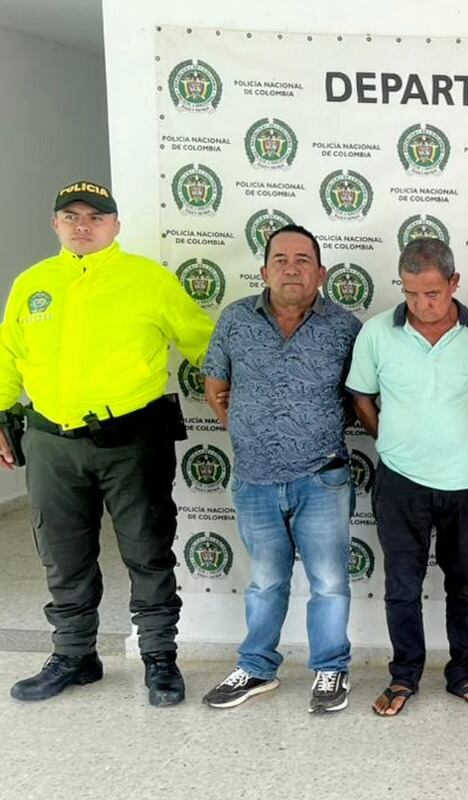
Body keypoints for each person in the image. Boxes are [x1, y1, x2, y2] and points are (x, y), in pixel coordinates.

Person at [0, 180, 214, 706]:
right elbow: (8, 354)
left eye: (95, 217)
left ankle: (160, 657)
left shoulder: (149, 280)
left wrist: (247, 396)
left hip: (132, 439)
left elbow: (204, 344)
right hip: (51, 441)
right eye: (70, 216)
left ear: (115, 225)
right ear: (55, 224)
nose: (82, 225)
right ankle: (75, 656)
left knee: (147, 549)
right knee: (62, 553)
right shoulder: (33, 284)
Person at [197, 225, 362, 713]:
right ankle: (256, 668)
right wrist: (250, 430)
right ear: (264, 269)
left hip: (322, 478)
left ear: (321, 271)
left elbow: (358, 398)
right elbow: (215, 385)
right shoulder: (235, 320)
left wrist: (315, 426)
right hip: (254, 481)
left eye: (304, 259)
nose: (292, 267)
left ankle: (331, 670)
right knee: (265, 581)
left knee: (329, 583)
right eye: (282, 259)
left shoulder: (345, 326)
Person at [345, 238, 468, 717]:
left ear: (455, 283)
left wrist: (466, 438)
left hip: (466, 481)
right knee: (402, 586)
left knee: (466, 585)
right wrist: (390, 442)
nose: (421, 304)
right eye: (411, 293)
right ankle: (403, 676)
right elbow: (361, 398)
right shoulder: (377, 333)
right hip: (399, 480)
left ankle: (463, 673)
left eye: (432, 293)